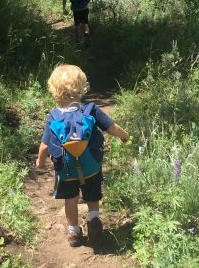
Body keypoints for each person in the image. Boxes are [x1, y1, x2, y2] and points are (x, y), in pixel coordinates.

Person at [35, 65, 129, 247]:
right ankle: (94, 219)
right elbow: (112, 128)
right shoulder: (90, 110)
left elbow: (45, 145)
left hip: (66, 169)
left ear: (54, 90)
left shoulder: (54, 116)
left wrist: (40, 162)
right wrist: (124, 135)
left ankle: (74, 232)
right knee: (92, 195)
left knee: (70, 199)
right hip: (91, 166)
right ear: (82, 87)